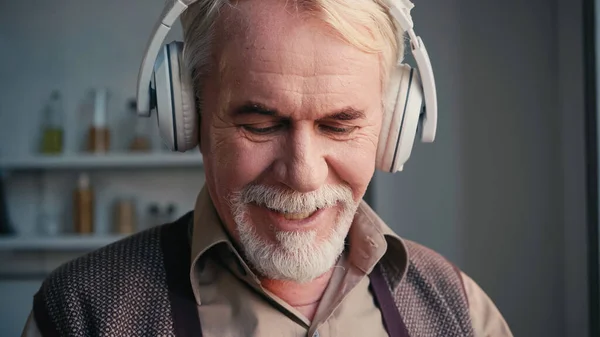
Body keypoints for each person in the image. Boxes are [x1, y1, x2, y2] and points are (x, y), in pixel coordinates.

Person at [22, 0, 513, 336]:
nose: (302, 174)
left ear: (393, 128)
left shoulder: (461, 312)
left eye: (339, 126)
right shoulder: (81, 313)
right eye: (259, 124)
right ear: (187, 114)